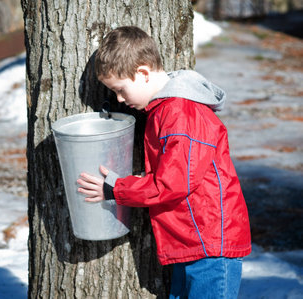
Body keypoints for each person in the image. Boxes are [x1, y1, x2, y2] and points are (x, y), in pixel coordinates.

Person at [77, 26, 251, 299]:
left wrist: (116, 190)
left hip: (210, 246)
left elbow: (172, 183)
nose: (120, 99)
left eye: (121, 90)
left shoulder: (181, 113)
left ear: (143, 73)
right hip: (192, 241)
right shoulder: (164, 111)